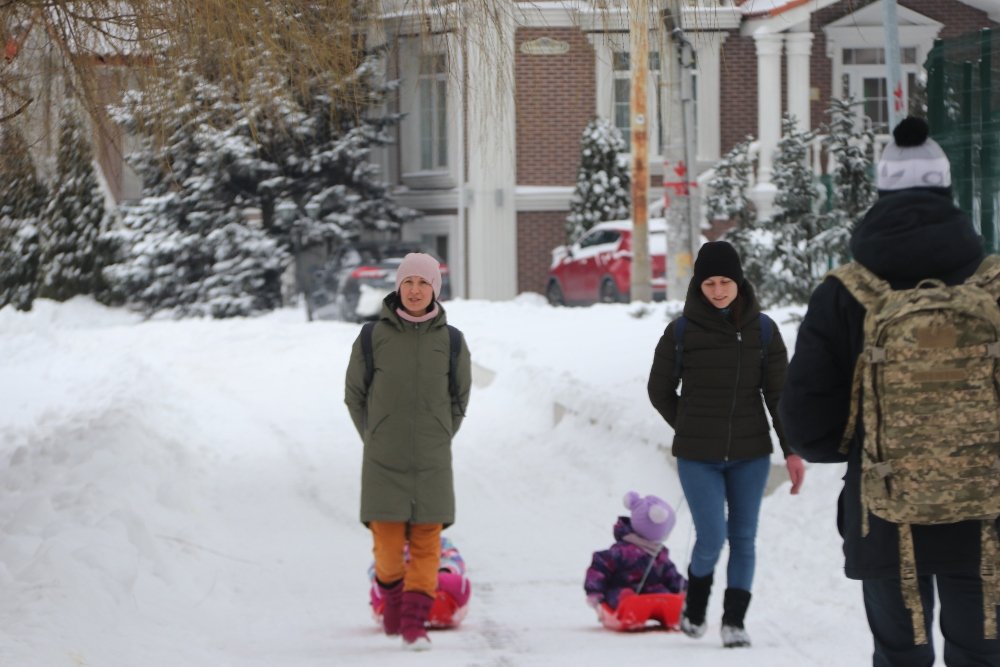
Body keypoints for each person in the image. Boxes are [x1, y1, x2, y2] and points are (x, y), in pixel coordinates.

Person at [779, 116, 1000, 666]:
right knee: (983, 653)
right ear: (948, 193)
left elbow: (806, 416)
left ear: (880, 195)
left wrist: (859, 446)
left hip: (883, 512)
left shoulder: (844, 291)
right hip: (988, 512)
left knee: (901, 653)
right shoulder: (993, 283)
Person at [647, 240, 805, 648]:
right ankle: (696, 606)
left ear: (739, 282)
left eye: (725, 282)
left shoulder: (764, 330)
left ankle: (734, 621)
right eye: (710, 283)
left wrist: (790, 450)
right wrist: (688, 425)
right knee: (712, 536)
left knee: (744, 538)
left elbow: (779, 396)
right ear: (699, 285)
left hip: (750, 454)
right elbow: (659, 389)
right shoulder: (681, 330)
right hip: (698, 457)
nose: (718, 291)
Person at [344, 252, 472, 651]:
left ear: (435, 289)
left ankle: (415, 624)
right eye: (409, 283)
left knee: (426, 541)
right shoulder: (372, 336)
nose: (415, 291)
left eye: (424, 283)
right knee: (386, 541)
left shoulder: (451, 340)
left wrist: (440, 432)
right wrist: (375, 434)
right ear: (398, 288)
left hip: (432, 458)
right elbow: (355, 395)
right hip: (383, 457)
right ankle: (394, 604)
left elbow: (459, 396)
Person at [584, 491, 688, 631]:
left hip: (652, 593)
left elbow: (670, 574)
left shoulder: (659, 553)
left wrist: (686, 589)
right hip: (622, 590)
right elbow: (599, 567)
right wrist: (595, 594)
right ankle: (629, 614)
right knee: (623, 595)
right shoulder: (622, 550)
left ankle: (673, 614)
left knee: (667, 596)